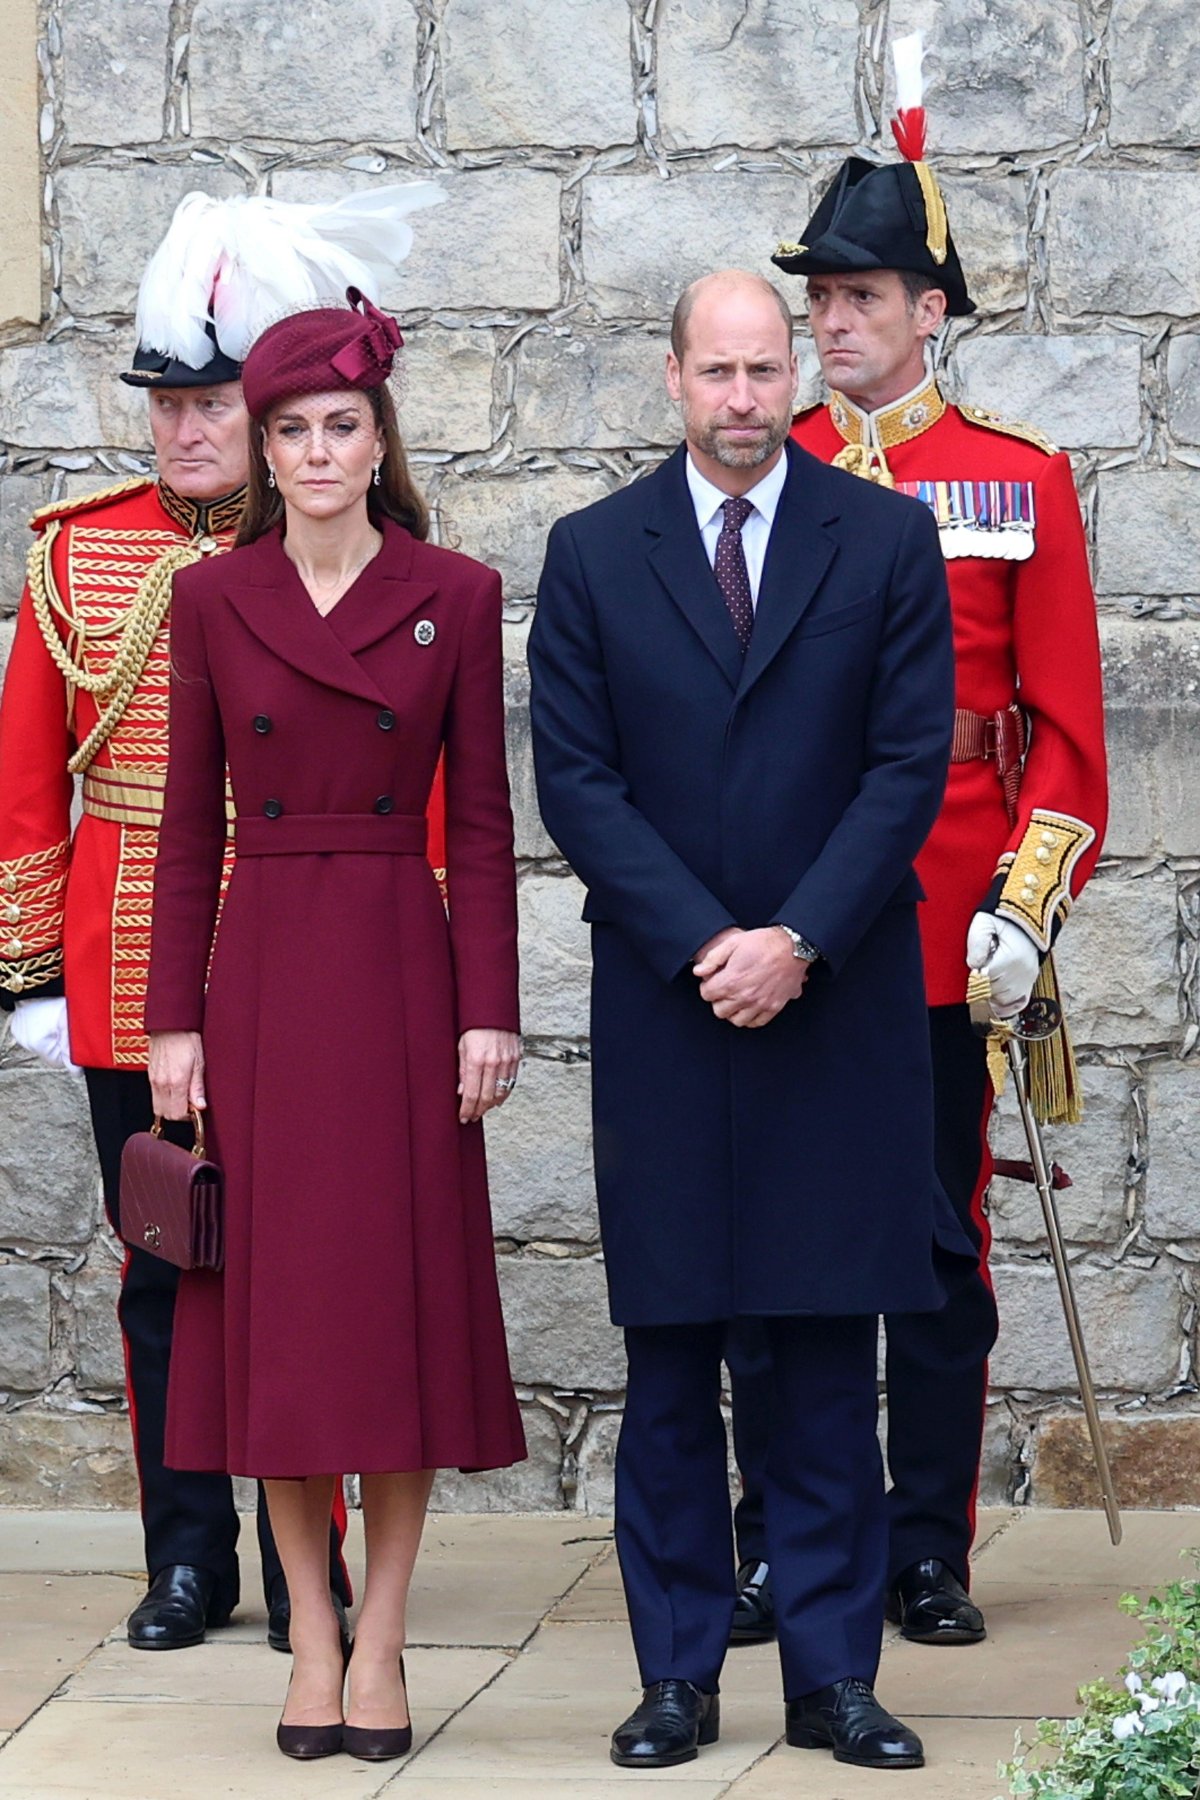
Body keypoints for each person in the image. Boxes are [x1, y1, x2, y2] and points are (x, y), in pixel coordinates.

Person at [529, 267, 976, 1774]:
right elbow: (578, 782)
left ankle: (835, 1681)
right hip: (668, 1012)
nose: (741, 398)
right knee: (670, 1365)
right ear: (671, 379)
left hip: (831, 1008)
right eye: (713, 372)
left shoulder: (887, 538)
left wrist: (794, 938)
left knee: (822, 1362)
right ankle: (677, 1676)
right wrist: (706, 941)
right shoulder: (593, 555)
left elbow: (908, 763)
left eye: (764, 369)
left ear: (799, 374)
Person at [725, 33, 1107, 1653]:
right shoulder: (766, 471)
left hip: (950, 917)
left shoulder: (1016, 482)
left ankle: (927, 1545)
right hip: (794, 912)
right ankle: (771, 1537)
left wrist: (1026, 910)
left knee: (940, 1254)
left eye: (862, 298)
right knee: (774, 1241)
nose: (831, 326)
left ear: (930, 310)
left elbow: (1071, 735)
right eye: (819, 301)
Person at [145, 287, 526, 1763]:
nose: (314, 453)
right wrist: (169, 1024)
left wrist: (487, 1008)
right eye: (289, 429)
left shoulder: (460, 590)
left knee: (392, 1319)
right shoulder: (208, 601)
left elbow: (483, 830)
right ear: (260, 449)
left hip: (398, 972)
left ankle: (385, 1639)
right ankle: (308, 1630)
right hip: (258, 984)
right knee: (282, 1331)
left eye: (340, 427)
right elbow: (187, 831)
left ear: (379, 442)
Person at [0, 193, 361, 1651]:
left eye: (212, 402)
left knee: (308, 1267)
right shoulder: (78, 555)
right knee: (167, 1263)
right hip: (124, 955)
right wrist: (28, 973)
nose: (184, 430)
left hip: (293, 949)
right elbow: (28, 779)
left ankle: (312, 1564)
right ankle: (188, 1556)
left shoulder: (327, 550)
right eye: (168, 403)